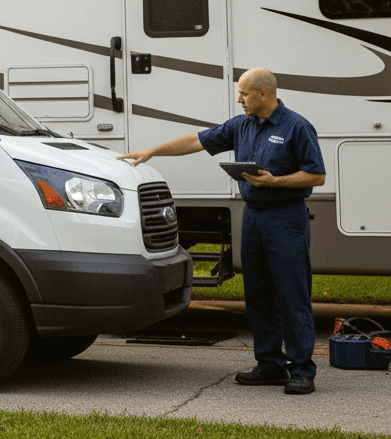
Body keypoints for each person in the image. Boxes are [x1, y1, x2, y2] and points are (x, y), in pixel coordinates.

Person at [117, 68, 326, 395]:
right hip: (254, 217)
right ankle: (270, 364)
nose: (239, 99)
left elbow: (316, 176)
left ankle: (302, 370)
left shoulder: (296, 127)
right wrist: (153, 151)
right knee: (257, 294)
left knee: (291, 294)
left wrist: (276, 181)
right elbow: (196, 140)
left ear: (262, 94)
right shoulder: (241, 125)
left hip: (286, 218)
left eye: (243, 93)